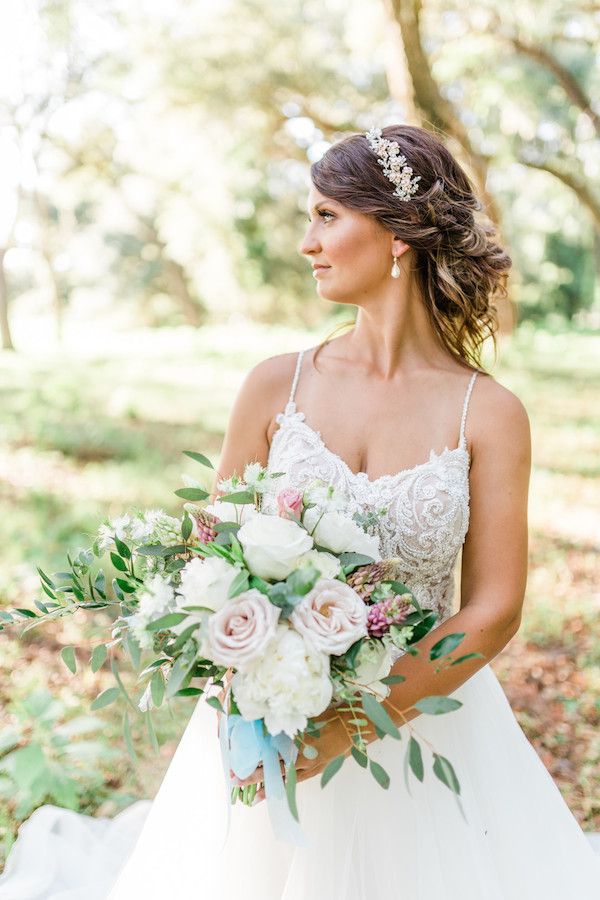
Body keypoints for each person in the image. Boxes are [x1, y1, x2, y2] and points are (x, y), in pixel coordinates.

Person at [1, 124, 599, 899]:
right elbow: (208, 559)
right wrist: (251, 683)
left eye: (326, 216)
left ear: (396, 235)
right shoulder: (273, 387)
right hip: (269, 721)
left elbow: (493, 608)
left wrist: (356, 721)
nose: (306, 243)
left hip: (424, 721)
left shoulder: (487, 414)